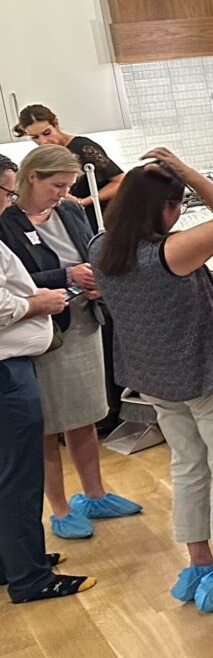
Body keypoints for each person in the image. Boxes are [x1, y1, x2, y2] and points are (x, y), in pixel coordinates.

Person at [91, 151, 213, 612]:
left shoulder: (101, 247)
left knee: (188, 464)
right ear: (165, 207)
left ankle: (198, 562)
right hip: (203, 372)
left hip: (154, 377)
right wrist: (185, 172)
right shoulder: (171, 253)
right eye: (177, 204)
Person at [1, 146, 140, 538]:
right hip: (41, 334)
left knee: (85, 414)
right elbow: (14, 286)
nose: (64, 193)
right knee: (48, 425)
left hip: (84, 322)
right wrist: (66, 276)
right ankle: (60, 508)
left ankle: (95, 494)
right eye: (57, 185)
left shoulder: (70, 210)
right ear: (32, 178)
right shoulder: (5, 220)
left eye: (68, 185)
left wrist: (98, 281)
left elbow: (92, 253)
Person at [2, 239, 91, 602]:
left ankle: (14, 561)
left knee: (9, 473)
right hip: (6, 370)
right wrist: (37, 304)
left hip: (10, 366)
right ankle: (30, 577)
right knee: (18, 477)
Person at [12, 103, 123, 205]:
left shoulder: (83, 147)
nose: (43, 141)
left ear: (56, 124)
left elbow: (120, 181)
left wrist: (83, 202)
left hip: (101, 212)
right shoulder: (45, 157)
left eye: (47, 133)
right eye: (35, 137)